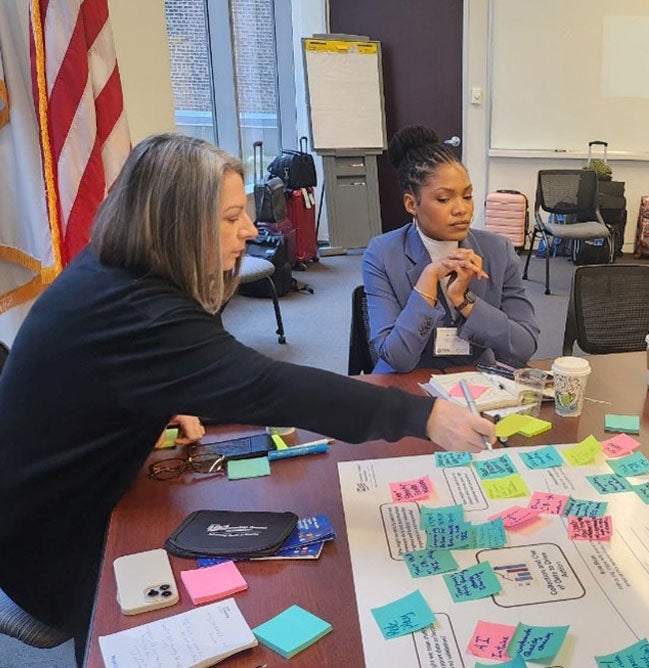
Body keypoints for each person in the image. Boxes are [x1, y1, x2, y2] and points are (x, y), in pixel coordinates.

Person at [0, 133, 495, 664]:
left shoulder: (115, 272)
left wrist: (168, 390)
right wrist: (424, 414)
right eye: (231, 215)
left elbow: (117, 374)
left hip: (59, 500)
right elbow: (268, 386)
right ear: (176, 223)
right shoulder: (140, 311)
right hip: (50, 547)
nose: (250, 229)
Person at [362, 125, 538, 372]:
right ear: (412, 204)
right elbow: (396, 358)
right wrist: (427, 282)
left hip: (476, 380)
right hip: (408, 382)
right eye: (444, 199)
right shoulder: (382, 254)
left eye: (467, 196)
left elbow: (525, 345)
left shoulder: (498, 250)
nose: (461, 209)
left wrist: (464, 301)